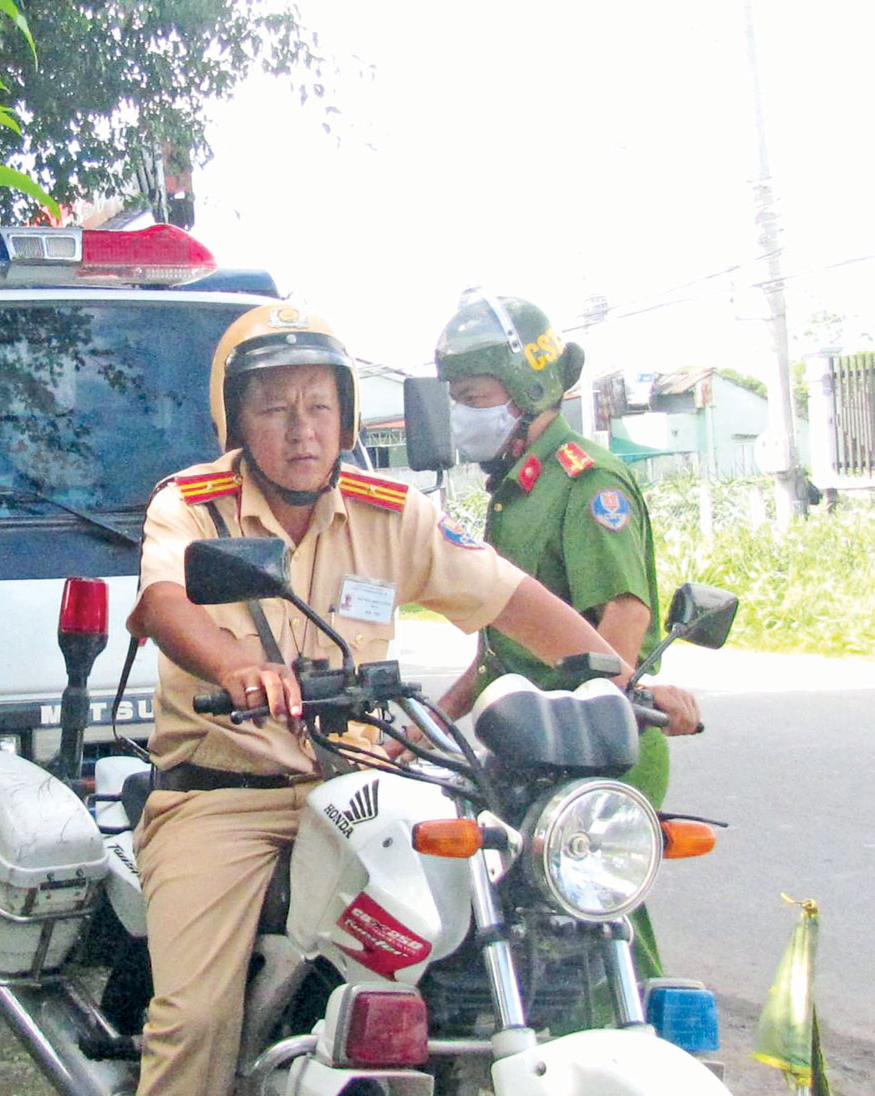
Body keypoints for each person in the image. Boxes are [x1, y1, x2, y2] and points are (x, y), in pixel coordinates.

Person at [125, 304, 652, 1096]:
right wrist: (237, 666)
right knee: (197, 1018)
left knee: (486, 926)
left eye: (319, 407)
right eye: (273, 408)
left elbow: (514, 601)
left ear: (345, 418)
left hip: (363, 789)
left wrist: (621, 677)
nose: (301, 430)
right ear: (234, 419)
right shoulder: (191, 503)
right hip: (222, 798)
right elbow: (167, 603)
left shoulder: (393, 512)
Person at [431, 290, 700, 978]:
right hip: (522, 743)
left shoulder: (586, 482)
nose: (461, 411)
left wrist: (590, 723)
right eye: (454, 395)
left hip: (590, 741)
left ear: (525, 389)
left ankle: (644, 1055)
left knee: (596, 926)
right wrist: (435, 721)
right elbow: (502, 647)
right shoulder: (518, 487)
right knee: (514, 932)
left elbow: (623, 618)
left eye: (472, 394)